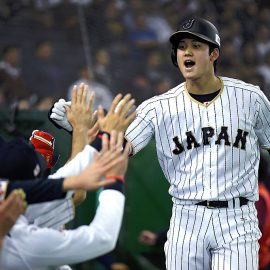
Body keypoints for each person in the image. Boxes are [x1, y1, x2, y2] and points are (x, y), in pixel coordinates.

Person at [49, 17, 270, 269]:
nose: (187, 51)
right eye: (181, 46)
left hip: (237, 217)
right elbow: (121, 147)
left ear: (214, 54)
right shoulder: (157, 107)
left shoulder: (250, 98)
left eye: (197, 46)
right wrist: (83, 130)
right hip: (186, 218)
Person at [0, 130, 130, 270]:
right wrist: (114, 180)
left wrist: (95, 143)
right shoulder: (23, 243)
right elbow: (102, 237)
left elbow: (38, 189)